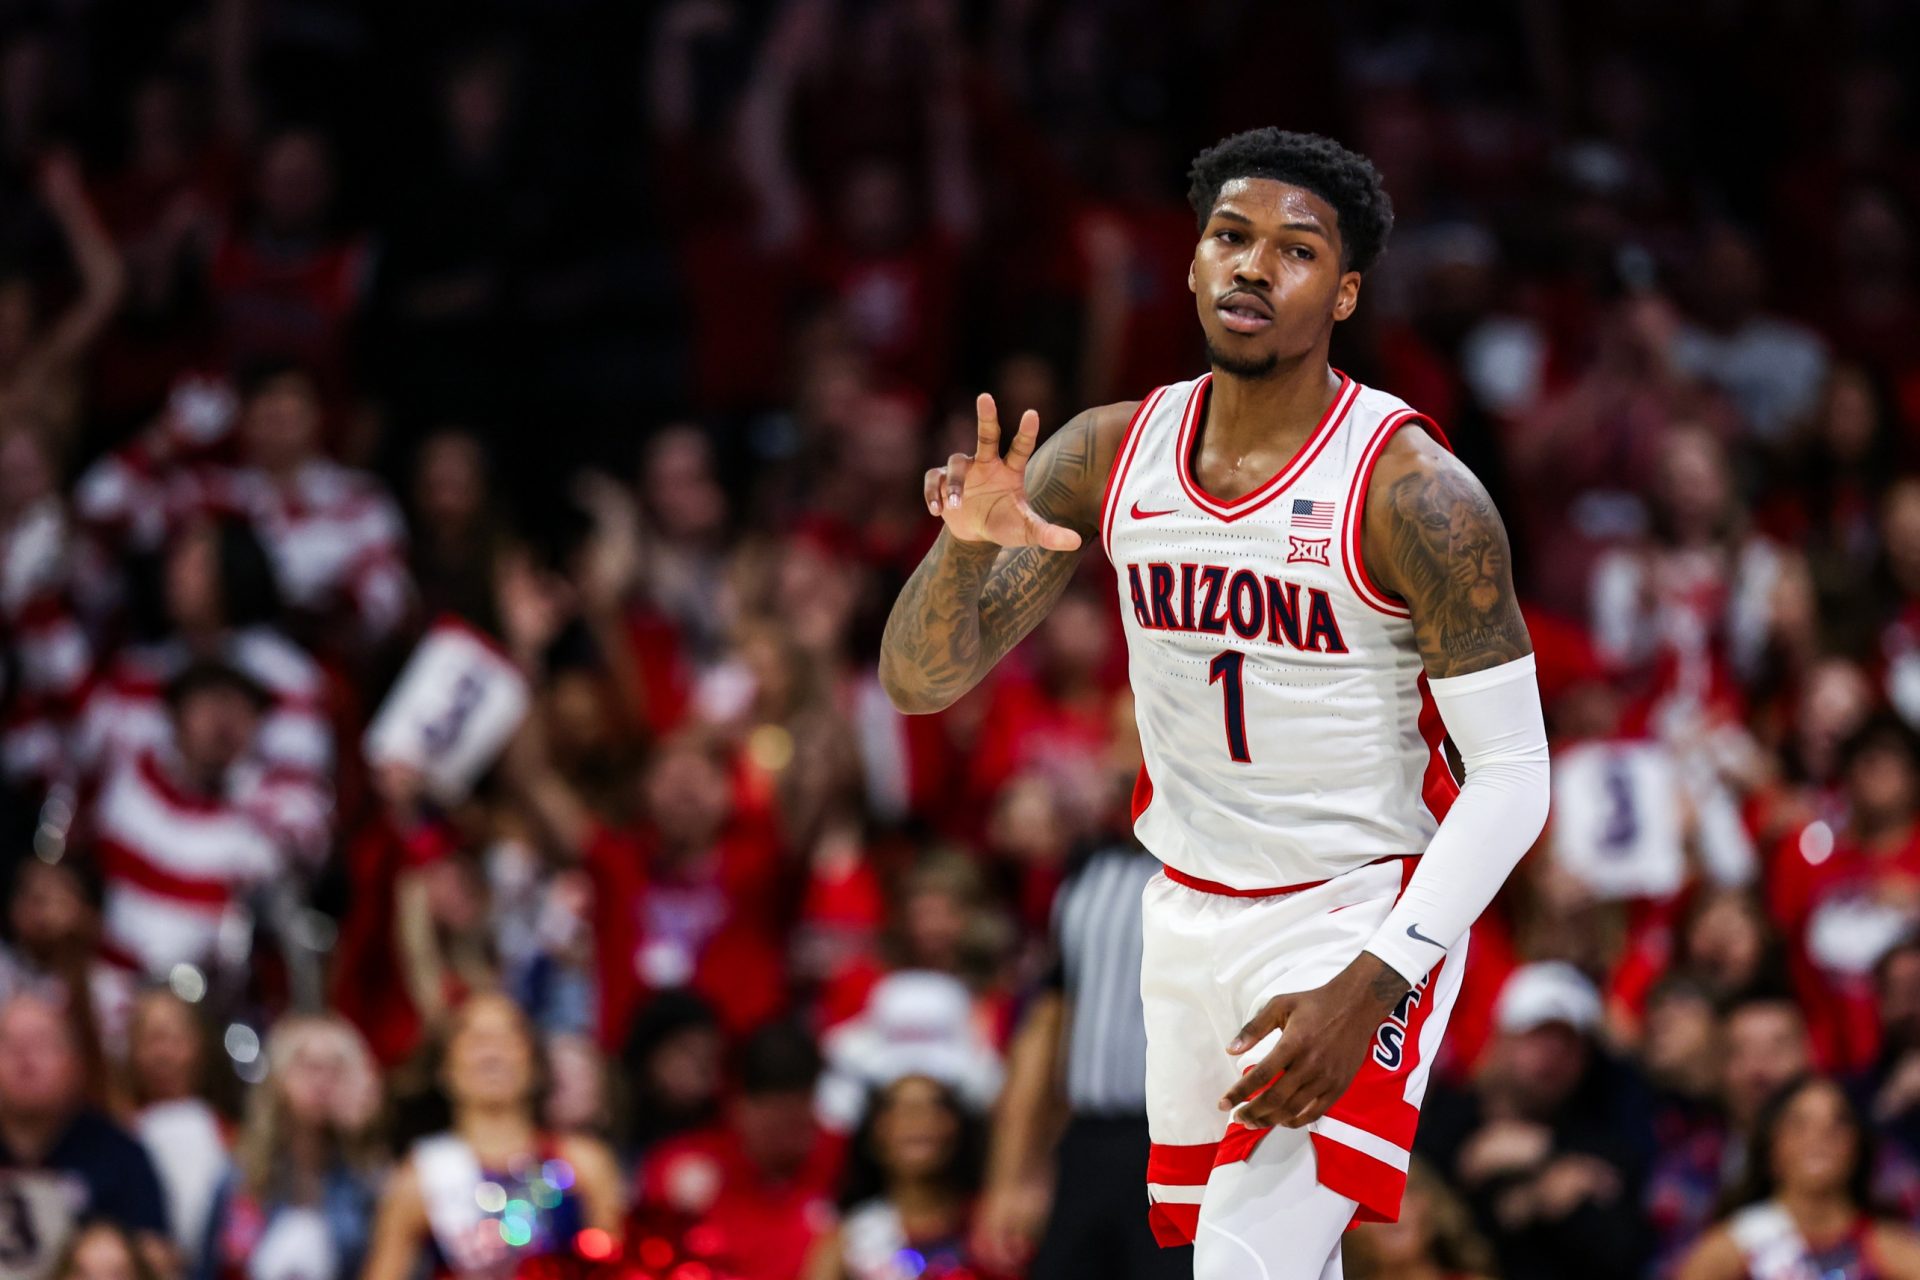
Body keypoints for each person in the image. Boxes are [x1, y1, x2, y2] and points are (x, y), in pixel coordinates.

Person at [880, 127, 1551, 1278]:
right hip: (1186, 907)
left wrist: (1379, 973)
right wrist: (957, 550)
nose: (1251, 267)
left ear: (1343, 293)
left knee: (1247, 1263)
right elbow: (920, 677)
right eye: (1229, 238)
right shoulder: (1107, 452)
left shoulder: (1413, 491)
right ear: (1190, 264)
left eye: (1293, 251)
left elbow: (1516, 776)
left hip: (1355, 910)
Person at [973, 841, 1190, 1278]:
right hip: (1088, 1139)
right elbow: (1046, 1026)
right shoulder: (1087, 871)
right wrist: (1011, 1178)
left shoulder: (1230, 861)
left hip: (1189, 1141)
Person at [359, 991, 624, 1279]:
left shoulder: (584, 1162)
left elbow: (614, 1265)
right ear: (444, 1068)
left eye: (508, 1038)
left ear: (534, 1064)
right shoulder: (418, 1178)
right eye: (475, 1040)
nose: (492, 1053)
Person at [1676, 1075, 1920, 1279]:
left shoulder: (1891, 1249)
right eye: (1799, 1125)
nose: (1819, 1138)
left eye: (1838, 1124)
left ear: (1857, 1146)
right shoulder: (1734, 1245)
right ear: (1771, 1147)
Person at [198, 1013, 384, 1280]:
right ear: (278, 1077)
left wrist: (364, 1132)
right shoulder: (241, 1177)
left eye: (336, 1069)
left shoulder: (368, 1178)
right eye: (309, 1067)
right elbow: (209, 1267)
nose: (322, 1082)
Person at [0, 992, 169, 1278]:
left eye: (41, 1044)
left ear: (76, 1064)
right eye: (9, 1044)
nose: (24, 1060)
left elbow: (157, 1258)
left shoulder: (120, 1155)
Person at [801, 1073, 995, 1280]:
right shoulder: (847, 1242)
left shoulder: (993, 1223)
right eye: (899, 1110)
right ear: (875, 1133)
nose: (919, 1120)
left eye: (936, 1107)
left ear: (958, 1126)